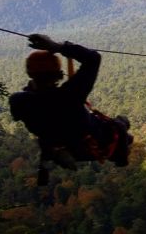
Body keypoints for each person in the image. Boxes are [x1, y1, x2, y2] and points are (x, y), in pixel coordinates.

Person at [9, 34, 132, 185]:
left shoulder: (18, 101)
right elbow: (93, 58)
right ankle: (121, 158)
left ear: (29, 73)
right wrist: (58, 47)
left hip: (63, 146)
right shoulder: (70, 95)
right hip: (92, 145)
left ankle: (45, 171)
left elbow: (40, 108)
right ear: (58, 74)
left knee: (46, 135)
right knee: (122, 124)